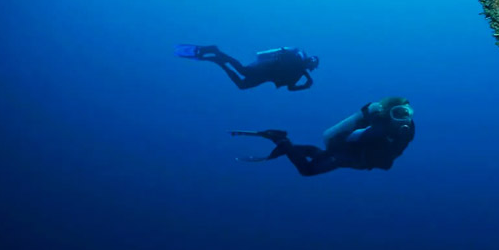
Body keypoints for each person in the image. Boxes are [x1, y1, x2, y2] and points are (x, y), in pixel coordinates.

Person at [230, 96, 415, 176]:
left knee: (318, 154)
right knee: (308, 170)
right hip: (349, 156)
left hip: (353, 157)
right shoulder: (381, 126)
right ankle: (282, 141)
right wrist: (370, 133)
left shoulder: (405, 129)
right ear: (388, 114)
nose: (405, 118)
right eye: (398, 113)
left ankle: (286, 143)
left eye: (407, 113)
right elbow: (354, 137)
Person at [175, 44, 319, 91]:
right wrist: (306, 79)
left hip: (266, 77)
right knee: (243, 70)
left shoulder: (299, 74)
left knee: (242, 85)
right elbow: (286, 56)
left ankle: (219, 61)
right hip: (264, 68)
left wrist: (305, 86)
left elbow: (290, 88)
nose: (308, 65)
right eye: (310, 63)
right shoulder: (296, 57)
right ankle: (216, 51)